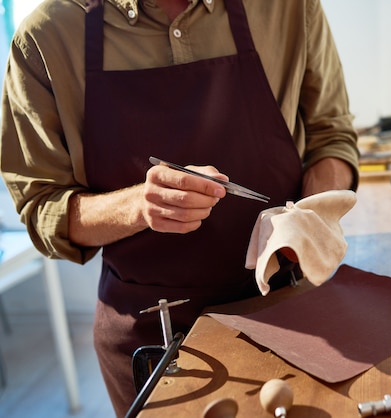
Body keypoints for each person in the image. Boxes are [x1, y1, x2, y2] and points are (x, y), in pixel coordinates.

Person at [0, 0, 359, 415]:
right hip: (150, 333)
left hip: (287, 309)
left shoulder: (288, 8)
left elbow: (331, 136)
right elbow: (42, 207)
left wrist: (306, 219)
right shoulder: (46, 37)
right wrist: (138, 205)